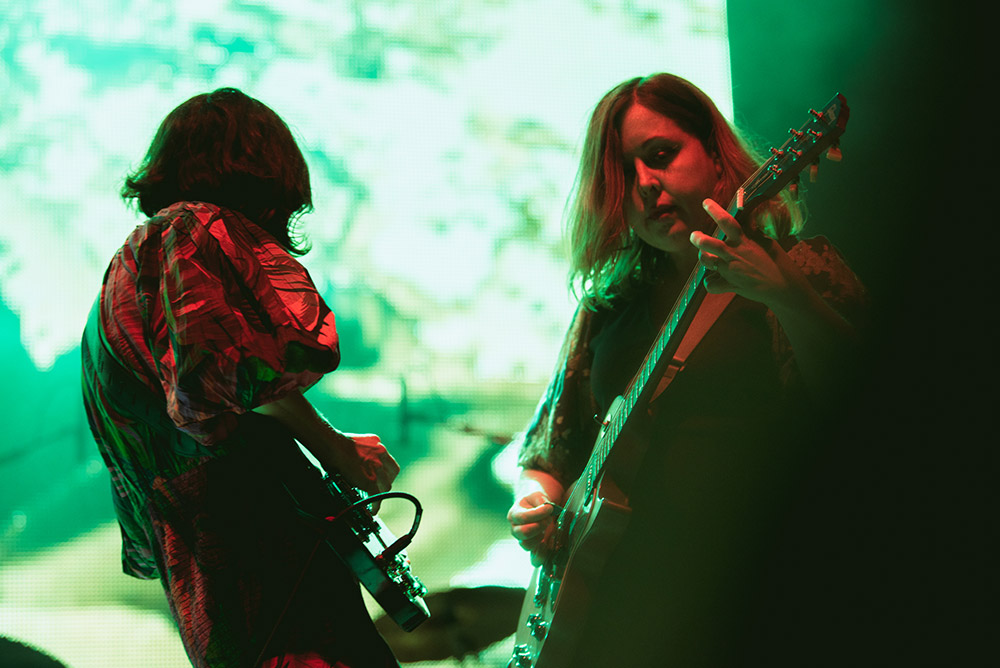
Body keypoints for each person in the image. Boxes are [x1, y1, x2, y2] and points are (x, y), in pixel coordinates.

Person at [507, 73, 868, 666]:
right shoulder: (608, 305)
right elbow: (550, 449)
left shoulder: (802, 268)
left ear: (717, 157)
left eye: (661, 155)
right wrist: (536, 504)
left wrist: (787, 296)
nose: (647, 184)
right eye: (625, 173)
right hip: (616, 614)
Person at [81, 88, 402, 668]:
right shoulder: (190, 231)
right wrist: (336, 449)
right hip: (253, 546)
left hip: (214, 570)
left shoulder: (128, 271)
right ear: (262, 175)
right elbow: (228, 371)